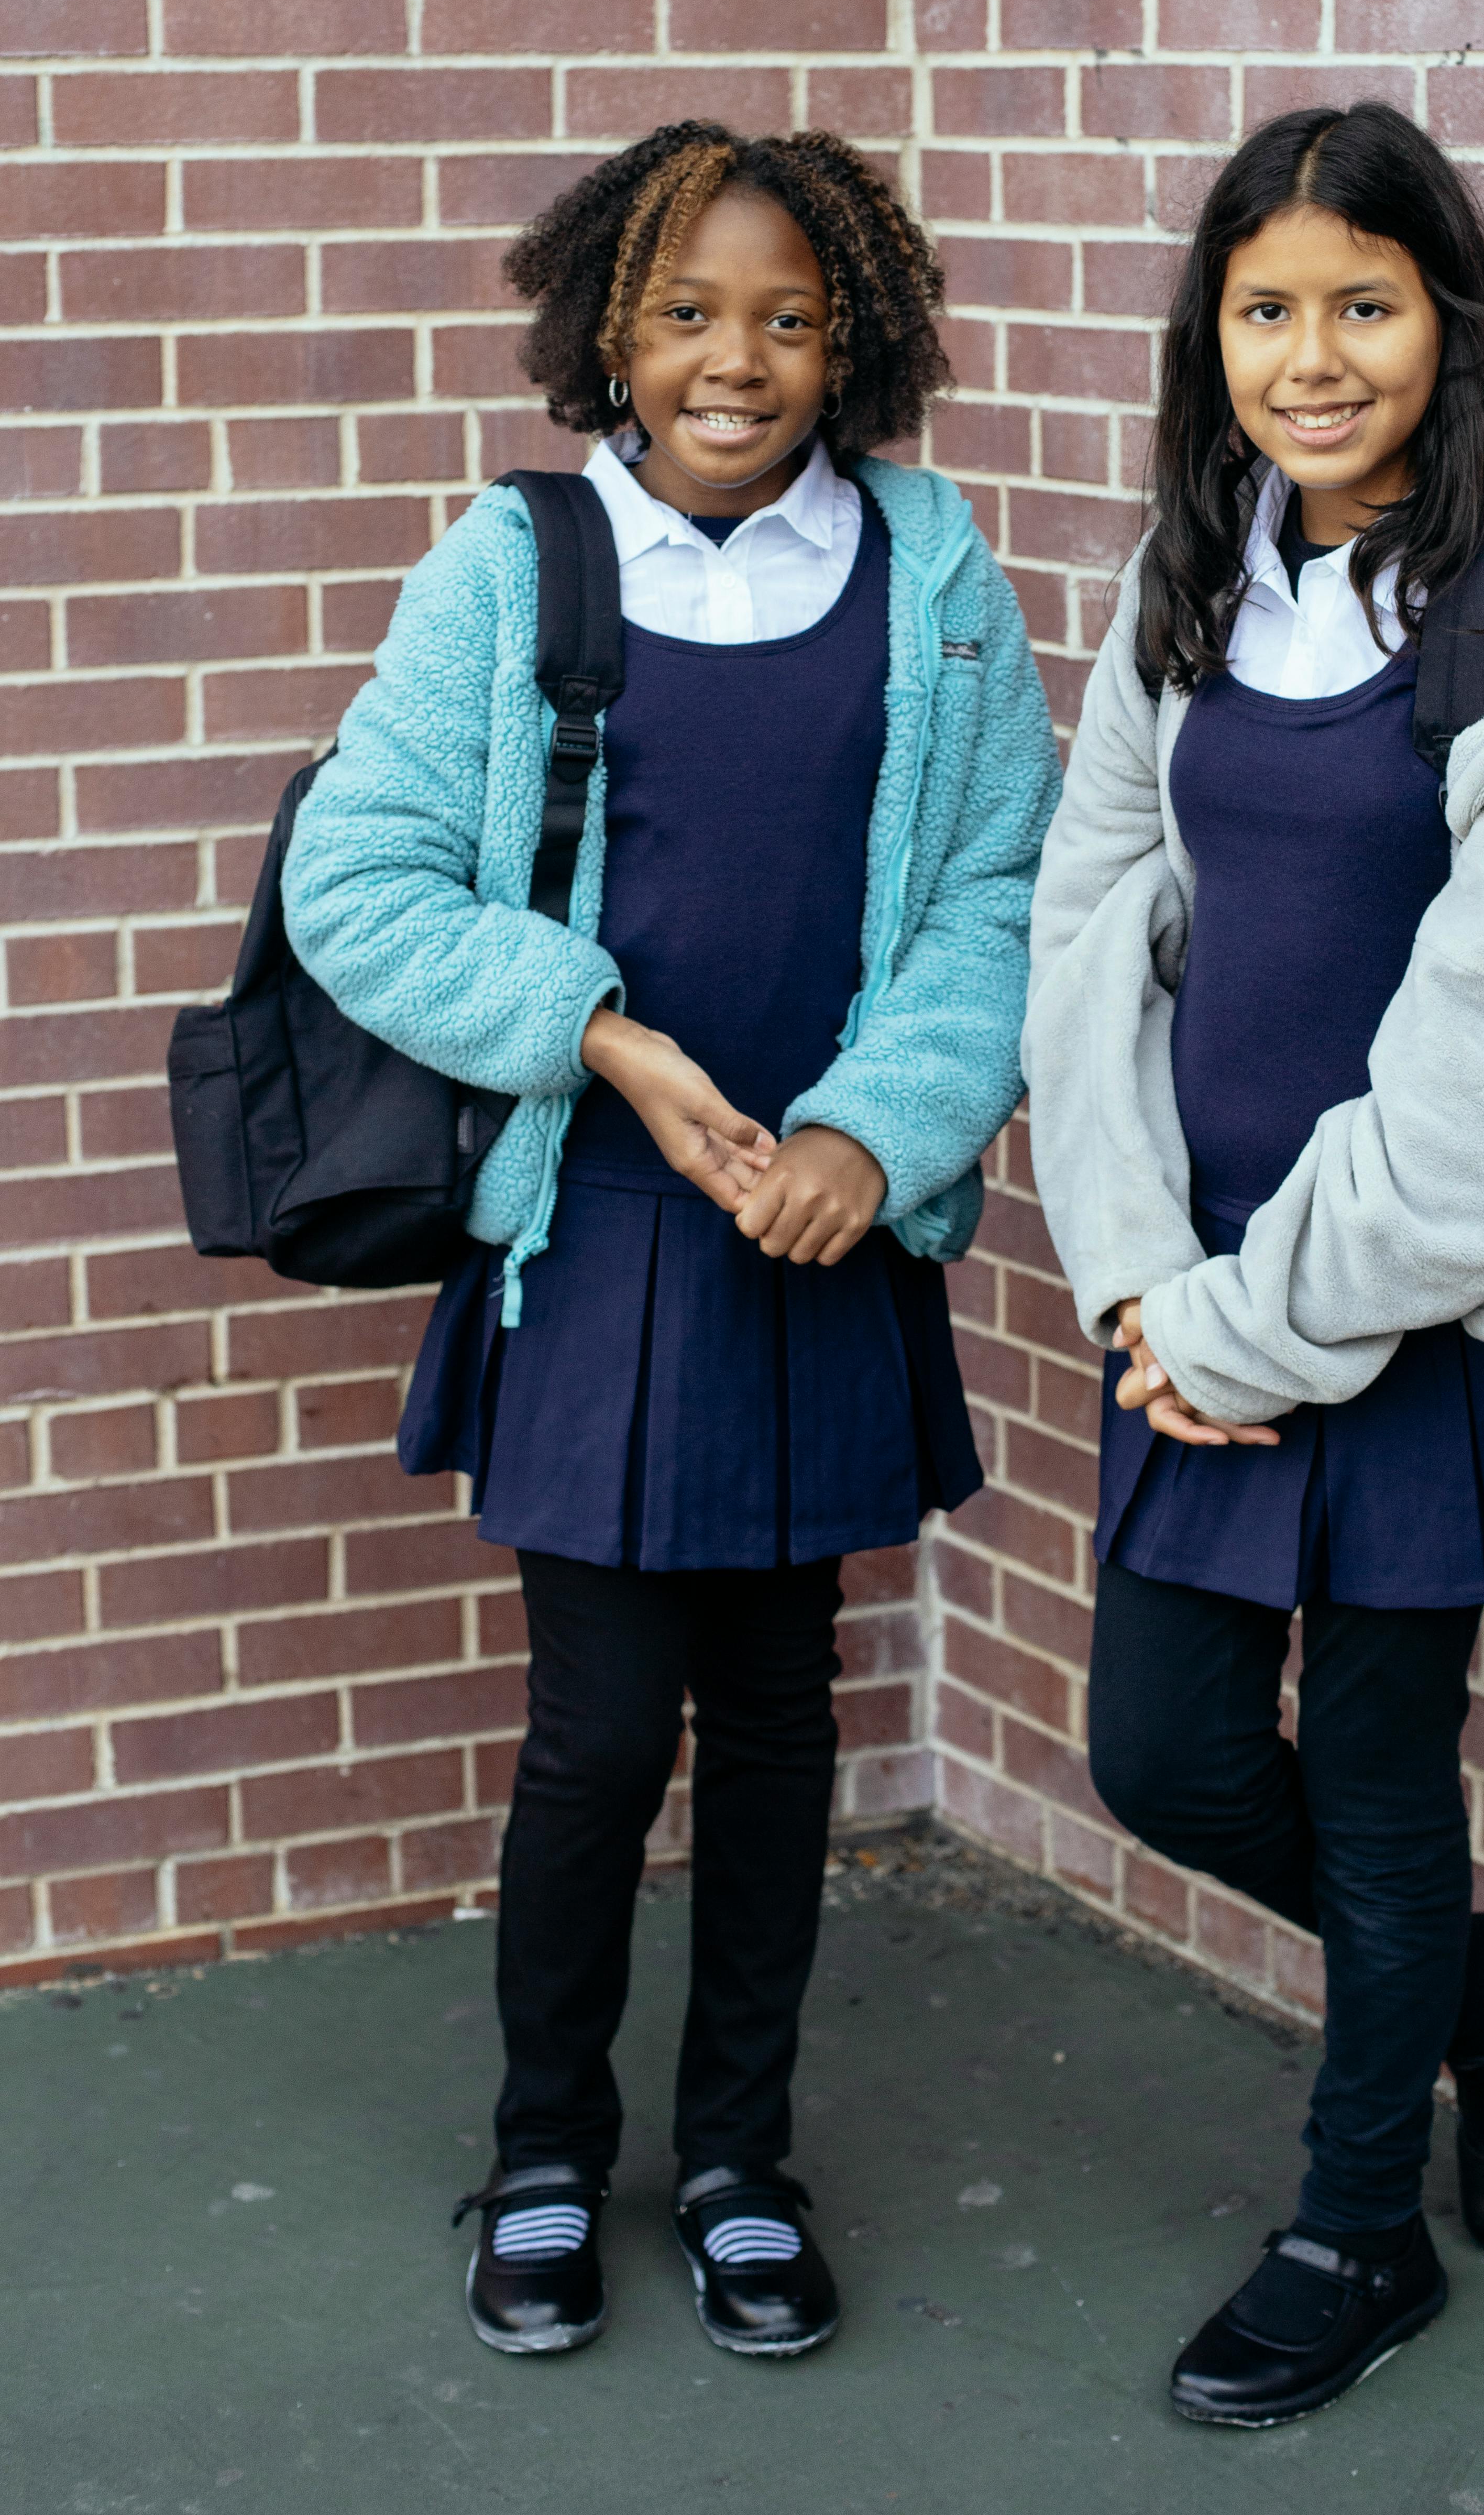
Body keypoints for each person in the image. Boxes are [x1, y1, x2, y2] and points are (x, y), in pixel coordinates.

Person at [283, 122, 1059, 2361]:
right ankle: (544, 2151)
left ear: (862, 339)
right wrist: (601, 1043)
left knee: (784, 1720)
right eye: (691, 315)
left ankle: (739, 2161)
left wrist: (870, 1130)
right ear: (611, 329)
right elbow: (363, 882)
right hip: (605, 1232)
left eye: (792, 320)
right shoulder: (519, 565)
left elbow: (998, 893)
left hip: (824, 1231)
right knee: (602, 1736)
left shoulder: (928, 566)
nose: (740, 362)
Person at [1023, 100, 1484, 2429]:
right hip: (1196, 1306)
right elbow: (1090, 926)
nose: (1309, 358)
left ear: (1447, 321)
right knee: (1166, 1754)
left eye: (1362, 303)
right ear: (1207, 331)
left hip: (1405, 1313)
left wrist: (1259, 1323)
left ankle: (1357, 2235)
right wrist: (1140, 1276)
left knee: (1378, 1778)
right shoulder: (1191, 568)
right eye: (1264, 308)